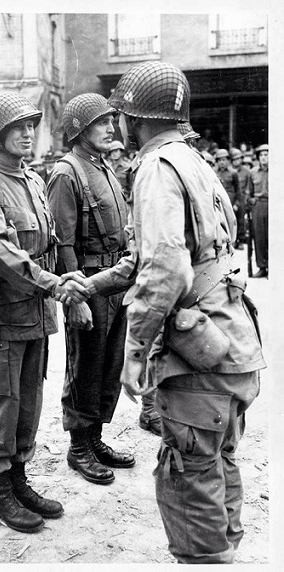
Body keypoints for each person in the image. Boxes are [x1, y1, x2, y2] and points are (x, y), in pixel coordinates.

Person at [81, 61, 265, 564]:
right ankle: (223, 551)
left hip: (199, 350)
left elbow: (165, 269)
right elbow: (178, 254)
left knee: (189, 471)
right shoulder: (194, 160)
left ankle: (206, 560)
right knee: (218, 458)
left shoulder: (156, 169)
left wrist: (135, 350)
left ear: (131, 118)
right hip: (233, 340)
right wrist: (96, 281)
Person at [0, 92, 89, 533]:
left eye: (32, 125)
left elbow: (49, 244)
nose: (29, 132)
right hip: (1, 313)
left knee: (29, 398)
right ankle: (0, 492)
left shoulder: (33, 181)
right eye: (19, 127)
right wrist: (54, 284)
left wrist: (70, 283)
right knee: (3, 401)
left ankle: (18, 480)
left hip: (34, 312)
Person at [47, 93, 137, 486]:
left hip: (114, 282)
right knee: (85, 365)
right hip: (87, 284)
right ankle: (78, 445)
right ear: (80, 130)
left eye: (111, 122)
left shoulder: (100, 166)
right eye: (101, 123)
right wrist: (74, 299)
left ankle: (95, 437)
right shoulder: (68, 173)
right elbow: (62, 242)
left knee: (109, 365)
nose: (110, 128)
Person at [248, 144, 269, 278]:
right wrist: (250, 201)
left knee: (272, 237)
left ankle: (274, 266)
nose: (263, 158)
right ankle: (262, 266)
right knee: (259, 237)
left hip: (273, 205)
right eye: (261, 155)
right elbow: (249, 193)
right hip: (258, 206)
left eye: (266, 154)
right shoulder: (253, 172)